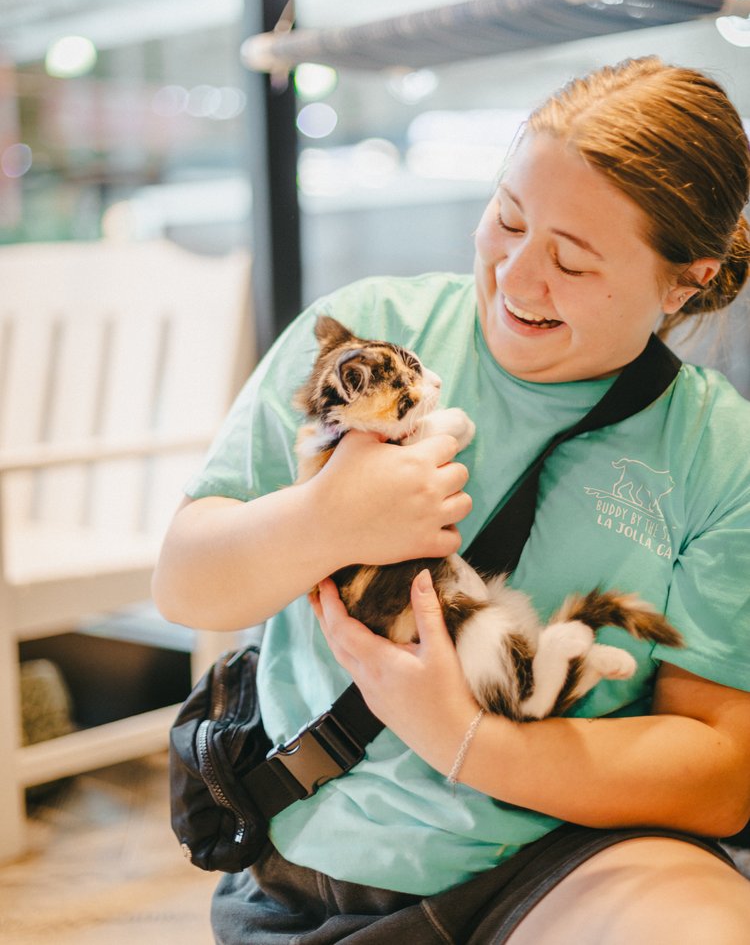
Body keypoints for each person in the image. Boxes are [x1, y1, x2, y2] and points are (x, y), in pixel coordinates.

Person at [153, 56, 750, 944]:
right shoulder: (371, 332)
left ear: (684, 280)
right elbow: (186, 583)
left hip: (560, 866)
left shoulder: (715, 448)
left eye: (572, 264)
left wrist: (468, 739)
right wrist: (327, 518)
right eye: (507, 219)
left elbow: (720, 762)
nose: (515, 278)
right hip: (301, 866)